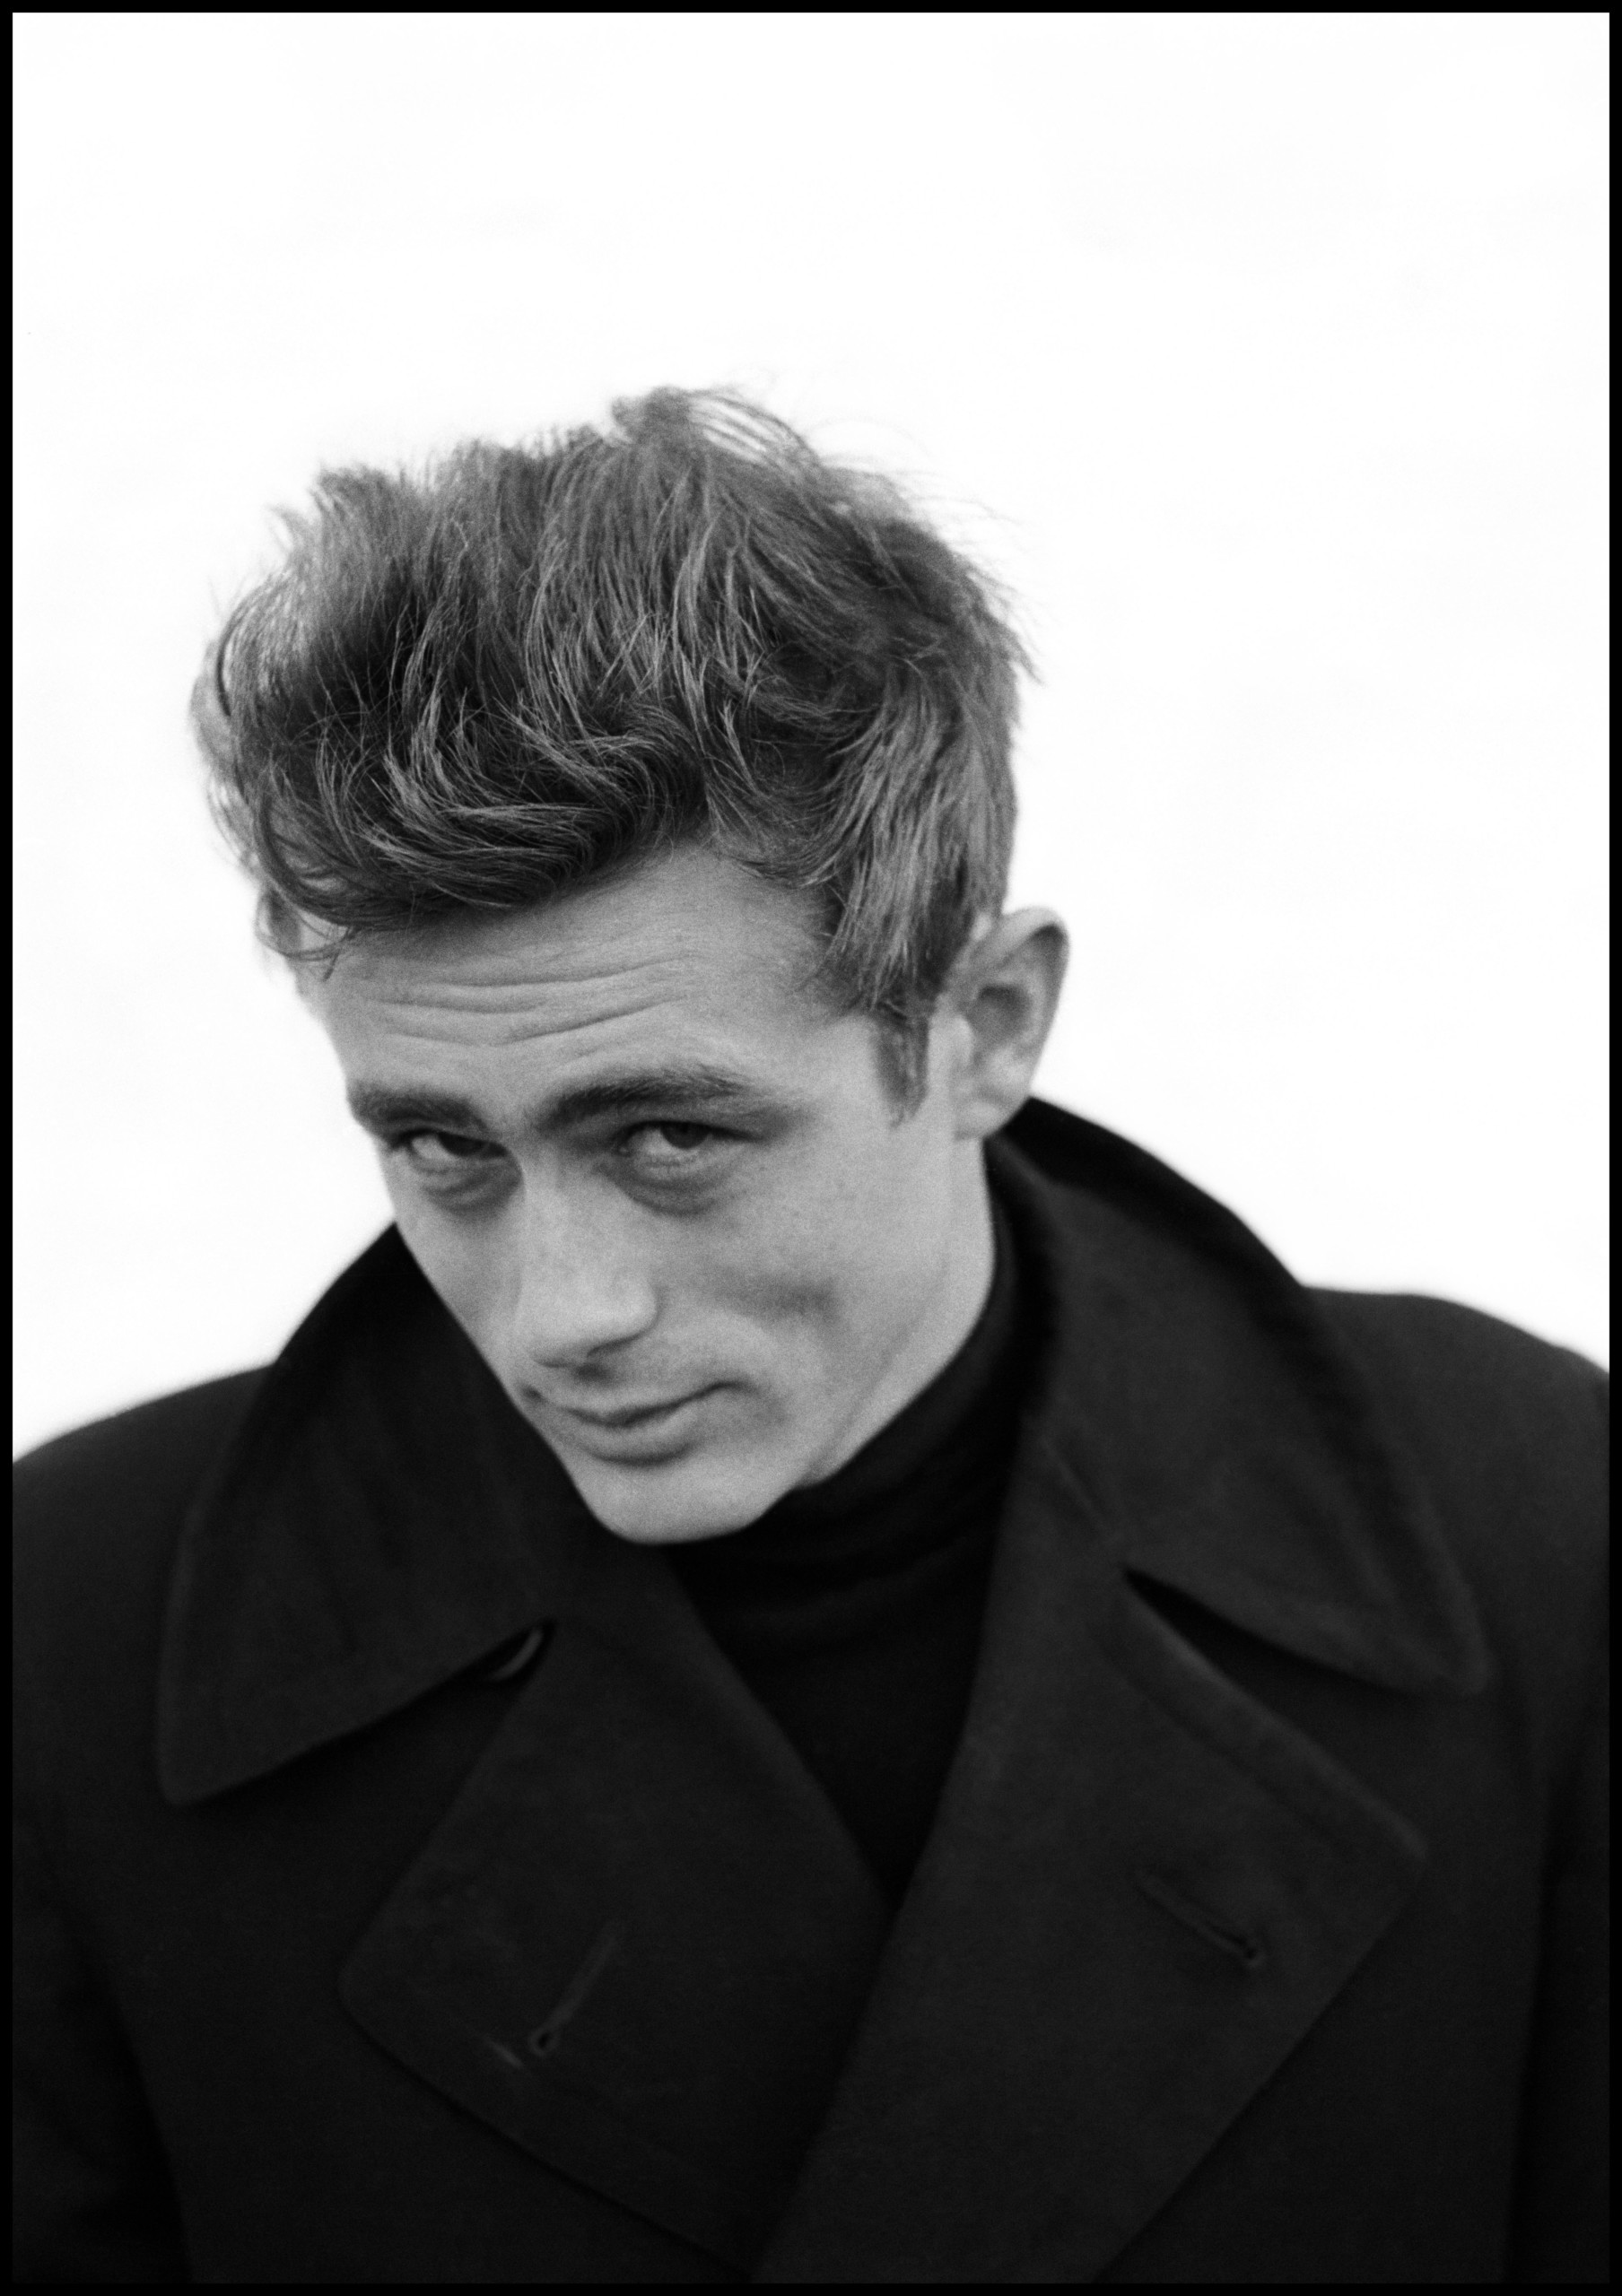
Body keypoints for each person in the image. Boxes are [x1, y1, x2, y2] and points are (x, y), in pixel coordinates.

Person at [13, 391, 1606, 2286]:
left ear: (984, 1026)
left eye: (671, 1137)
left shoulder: (1531, 1536)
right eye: (445, 1148)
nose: (563, 1309)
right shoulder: (76, 1632)